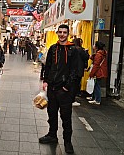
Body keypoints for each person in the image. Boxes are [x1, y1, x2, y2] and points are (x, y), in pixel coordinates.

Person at [39, 24, 78, 154]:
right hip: (52, 88)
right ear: (57, 33)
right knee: (52, 113)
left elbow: (75, 71)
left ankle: (67, 142)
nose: (62, 34)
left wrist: (67, 86)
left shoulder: (73, 50)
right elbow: (48, 66)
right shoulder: (53, 48)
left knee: (66, 117)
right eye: (60, 32)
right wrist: (45, 80)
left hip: (65, 91)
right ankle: (52, 135)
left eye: (64, 32)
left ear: (68, 34)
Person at [88, 41, 108, 105]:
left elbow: (96, 65)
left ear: (96, 47)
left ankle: (97, 100)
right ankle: (93, 98)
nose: (93, 45)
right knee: (95, 85)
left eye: (94, 45)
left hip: (98, 72)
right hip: (100, 71)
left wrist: (92, 74)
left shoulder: (99, 54)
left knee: (97, 86)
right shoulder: (101, 53)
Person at [72, 38, 89, 106]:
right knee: (75, 85)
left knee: (72, 85)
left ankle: (71, 99)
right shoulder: (80, 50)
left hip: (72, 70)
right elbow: (86, 57)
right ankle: (72, 100)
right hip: (78, 70)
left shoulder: (72, 48)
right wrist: (86, 52)